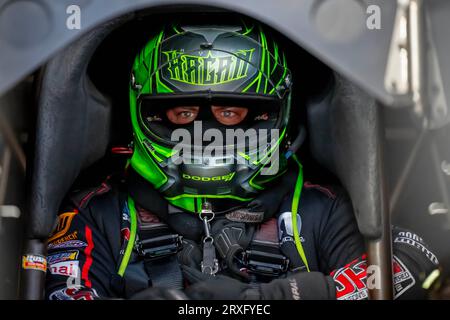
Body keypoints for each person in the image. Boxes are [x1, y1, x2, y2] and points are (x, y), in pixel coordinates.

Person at [44, 21, 439, 300]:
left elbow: (404, 267)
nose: (204, 131)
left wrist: (264, 298)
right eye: (183, 114)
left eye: (230, 113)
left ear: (271, 115)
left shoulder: (319, 205)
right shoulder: (96, 210)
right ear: (145, 113)